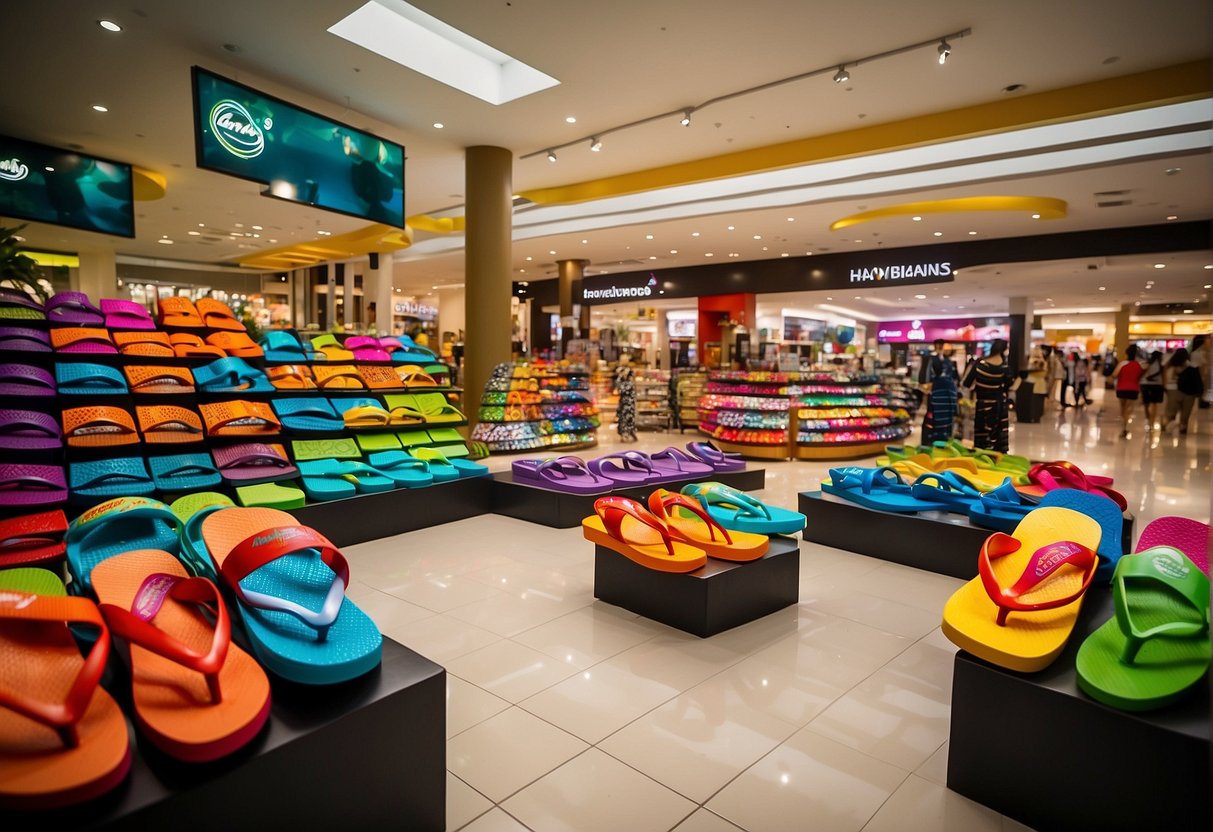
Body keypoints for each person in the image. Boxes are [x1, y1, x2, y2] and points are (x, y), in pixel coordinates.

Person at [962, 338, 1016, 453]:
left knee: (982, 437)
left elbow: (966, 384)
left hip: (982, 406)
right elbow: (1010, 386)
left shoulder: (978, 365)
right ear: (1004, 350)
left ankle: (981, 462)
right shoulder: (1005, 368)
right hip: (999, 407)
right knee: (998, 440)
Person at [920, 340, 958, 443]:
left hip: (949, 395)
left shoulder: (950, 361)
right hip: (937, 394)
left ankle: (945, 442)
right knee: (933, 419)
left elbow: (955, 379)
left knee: (947, 420)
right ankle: (933, 442)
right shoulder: (930, 359)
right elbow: (924, 379)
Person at [1163, 348, 1201, 434]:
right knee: (1185, 413)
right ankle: (1183, 428)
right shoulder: (1191, 366)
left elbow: (1165, 378)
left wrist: (1165, 387)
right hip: (1189, 391)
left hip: (1172, 390)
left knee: (1171, 411)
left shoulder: (1169, 365)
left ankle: (1168, 426)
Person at [1110, 344, 1143, 437]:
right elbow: (1140, 377)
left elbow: (1114, 375)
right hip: (1133, 389)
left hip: (1122, 388)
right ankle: (1125, 426)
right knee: (1128, 408)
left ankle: (1123, 426)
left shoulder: (1122, 364)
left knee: (1123, 408)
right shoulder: (1138, 365)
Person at [614, 359, 637, 442]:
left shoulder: (629, 380)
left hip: (628, 402)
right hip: (625, 402)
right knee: (624, 418)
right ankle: (626, 433)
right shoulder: (622, 378)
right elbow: (618, 387)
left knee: (628, 418)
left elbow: (624, 388)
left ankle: (630, 433)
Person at [1140, 349, 1165, 428]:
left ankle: (1147, 416)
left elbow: (1141, 373)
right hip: (1157, 385)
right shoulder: (1161, 364)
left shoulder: (1147, 363)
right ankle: (1152, 420)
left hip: (1145, 384)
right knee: (1154, 403)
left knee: (1146, 403)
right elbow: (1164, 376)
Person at [1189, 334, 1211, 409]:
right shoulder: (1199, 353)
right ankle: (1202, 402)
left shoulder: (1193, 353)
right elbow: (1205, 363)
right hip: (1199, 373)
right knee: (1202, 388)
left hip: (1197, 373)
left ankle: (1202, 402)